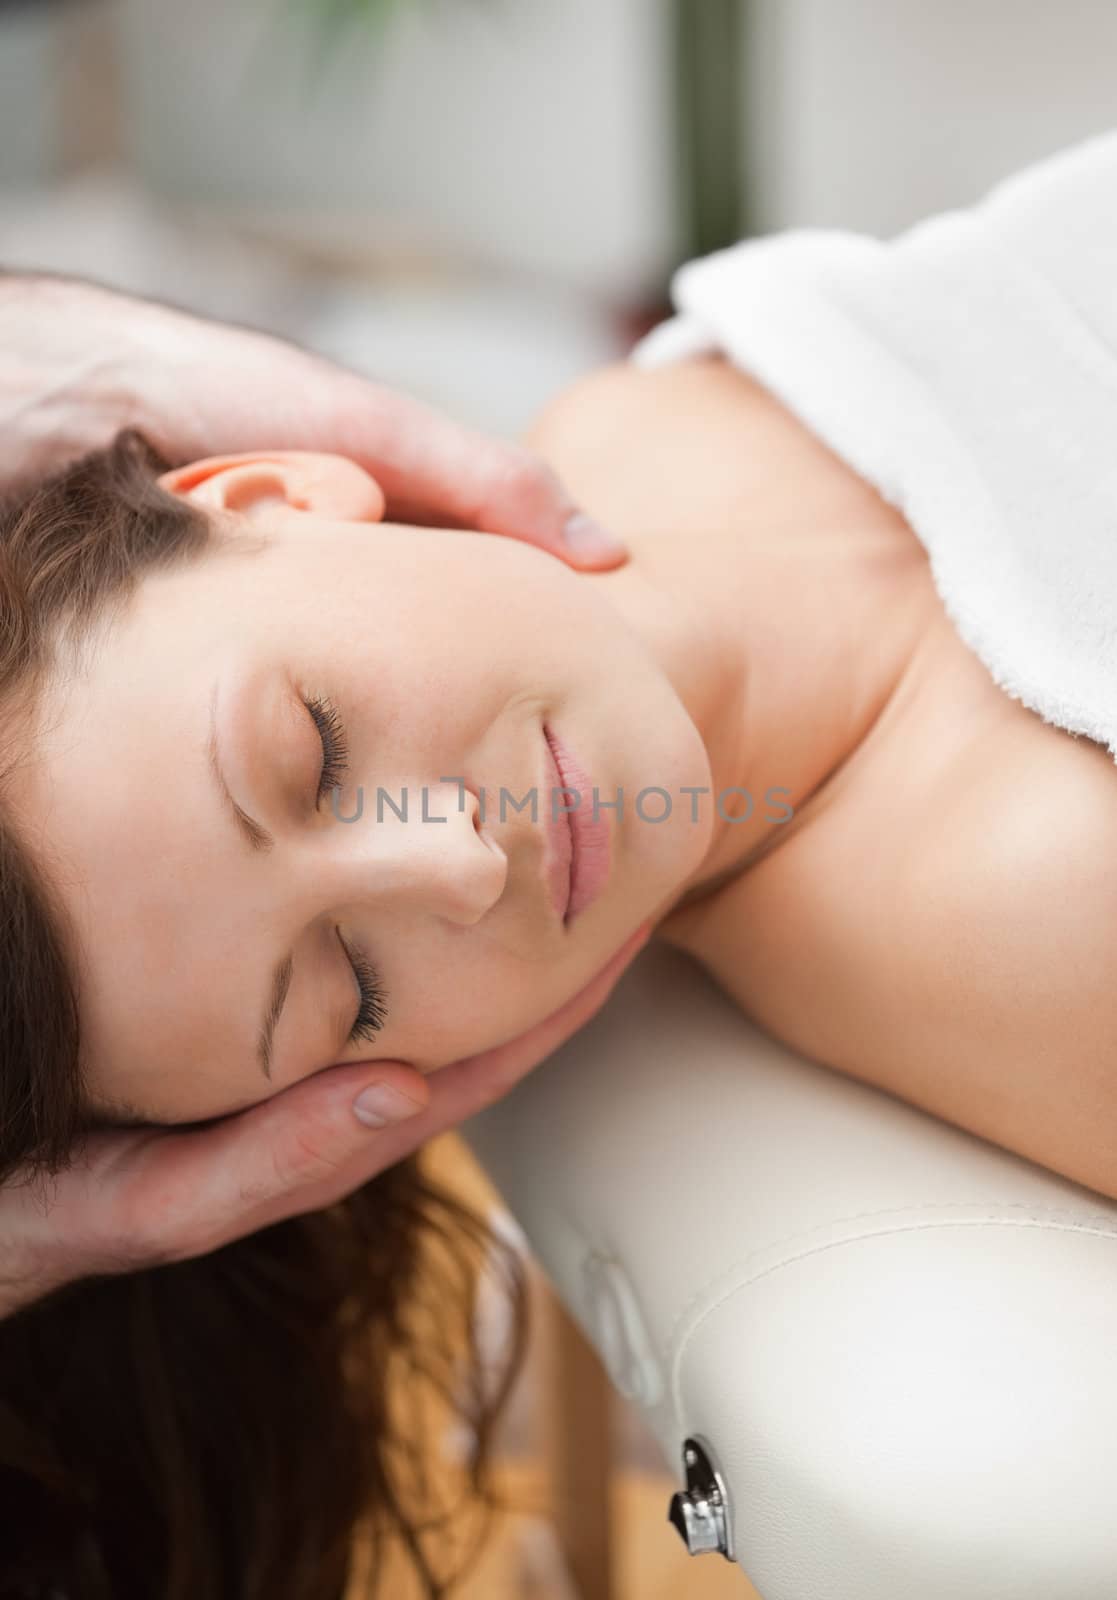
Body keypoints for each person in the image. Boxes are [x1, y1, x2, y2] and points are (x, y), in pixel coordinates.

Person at [8, 132, 1117, 1595]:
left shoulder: (645, 415)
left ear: (272, 495)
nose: (457, 870)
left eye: (316, 751)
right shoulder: (1021, 915)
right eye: (348, 985)